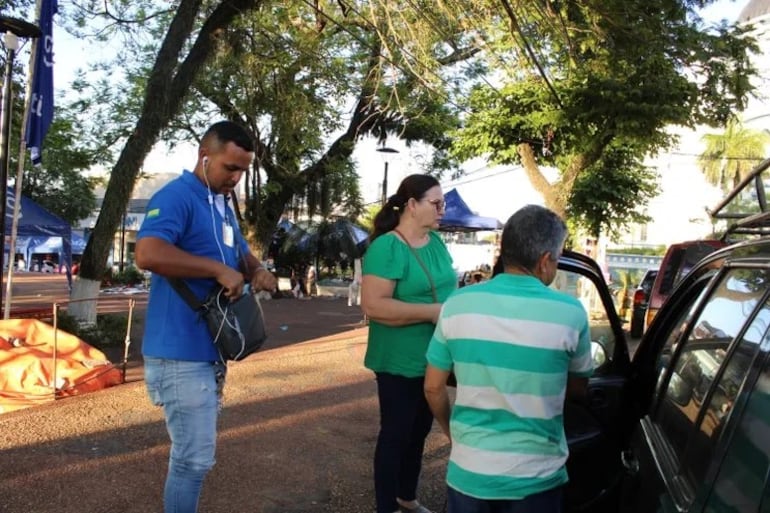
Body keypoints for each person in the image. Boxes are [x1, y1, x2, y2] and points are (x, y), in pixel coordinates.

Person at [135, 121, 277, 513]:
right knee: (192, 459)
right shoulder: (178, 196)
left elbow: (239, 254)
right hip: (179, 352)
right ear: (205, 157)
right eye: (230, 167)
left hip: (207, 351)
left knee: (194, 457)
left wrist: (256, 268)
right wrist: (215, 270)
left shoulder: (221, 203)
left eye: (243, 170)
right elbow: (146, 253)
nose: (236, 177)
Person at [424, 204, 594, 513]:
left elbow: (433, 387)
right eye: (556, 258)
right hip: (537, 479)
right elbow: (578, 388)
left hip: (469, 473)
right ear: (545, 261)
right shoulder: (571, 313)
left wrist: (455, 437)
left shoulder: (458, 304)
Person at [361, 174, 457, 513]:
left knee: (419, 432)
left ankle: (406, 495)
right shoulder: (387, 246)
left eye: (443, 203)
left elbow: (449, 290)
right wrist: (434, 312)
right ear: (412, 205)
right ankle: (386, 507)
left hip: (434, 357)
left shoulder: (436, 243)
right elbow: (375, 306)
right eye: (436, 203)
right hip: (398, 361)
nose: (442, 210)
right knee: (395, 436)